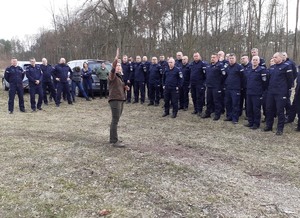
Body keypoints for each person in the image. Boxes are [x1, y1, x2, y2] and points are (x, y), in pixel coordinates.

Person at [264, 52, 294, 135]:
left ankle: (280, 129)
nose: (274, 58)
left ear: (281, 58)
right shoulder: (272, 67)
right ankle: (269, 126)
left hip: (281, 93)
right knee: (269, 109)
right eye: (273, 57)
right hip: (271, 92)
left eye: (276, 57)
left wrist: (285, 90)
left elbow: (290, 80)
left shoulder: (286, 66)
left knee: (280, 111)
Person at [108, 48, 129, 147]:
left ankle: (113, 138)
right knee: (115, 120)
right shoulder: (112, 75)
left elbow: (118, 86)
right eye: (117, 66)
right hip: (115, 100)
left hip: (121, 99)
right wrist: (116, 59)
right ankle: (114, 141)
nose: (118, 67)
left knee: (116, 119)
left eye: (120, 66)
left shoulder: (120, 77)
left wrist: (125, 87)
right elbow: (112, 70)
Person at [244, 56, 267, 129]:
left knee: (256, 109)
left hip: (257, 93)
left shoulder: (262, 70)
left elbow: (265, 82)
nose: (255, 61)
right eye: (253, 60)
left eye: (256, 60)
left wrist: (261, 91)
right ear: (251, 61)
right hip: (249, 92)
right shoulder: (249, 69)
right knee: (249, 108)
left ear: (259, 61)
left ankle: (256, 124)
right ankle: (250, 122)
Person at [202, 53, 225, 120]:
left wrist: (220, 84)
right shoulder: (208, 66)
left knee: (217, 101)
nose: (212, 58)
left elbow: (224, 76)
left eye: (214, 57)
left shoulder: (220, 66)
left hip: (216, 87)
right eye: (211, 57)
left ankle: (217, 114)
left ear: (217, 58)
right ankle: (208, 113)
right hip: (209, 86)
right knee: (209, 100)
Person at [223, 53, 244, 124]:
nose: (231, 60)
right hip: (228, 88)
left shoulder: (239, 67)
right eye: (230, 58)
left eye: (232, 58)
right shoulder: (227, 67)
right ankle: (229, 116)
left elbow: (243, 78)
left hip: (236, 89)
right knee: (228, 103)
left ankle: (235, 118)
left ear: (235, 59)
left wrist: (241, 87)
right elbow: (225, 76)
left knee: (235, 104)